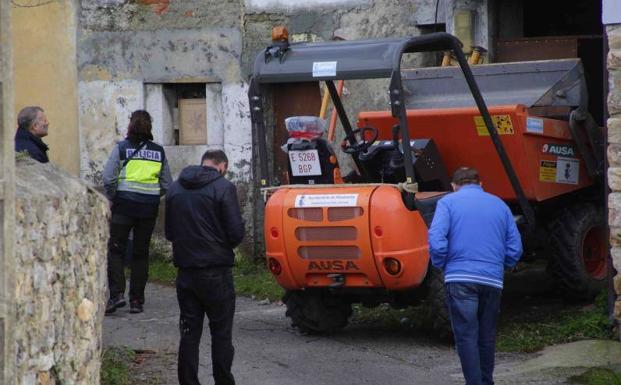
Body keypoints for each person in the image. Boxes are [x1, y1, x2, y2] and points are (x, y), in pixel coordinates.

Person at [428, 167, 522, 385]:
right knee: (486, 336)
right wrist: (500, 266)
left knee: (466, 335)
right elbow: (515, 247)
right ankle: (486, 382)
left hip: (460, 278)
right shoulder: (500, 205)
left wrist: (442, 264)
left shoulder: (448, 203)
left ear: (453, 186)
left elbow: (436, 237)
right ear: (481, 184)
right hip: (492, 280)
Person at [165, 149, 245, 385]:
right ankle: (223, 381)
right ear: (222, 166)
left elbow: (170, 232)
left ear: (203, 164)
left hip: (186, 272)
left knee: (189, 332)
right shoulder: (223, 187)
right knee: (221, 333)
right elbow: (235, 233)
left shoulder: (175, 188)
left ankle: (188, 382)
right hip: (216, 272)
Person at [103, 110, 172, 315]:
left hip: (123, 206)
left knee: (116, 249)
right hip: (148, 209)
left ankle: (116, 295)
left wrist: (115, 196)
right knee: (141, 254)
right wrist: (152, 195)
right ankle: (136, 301)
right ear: (149, 126)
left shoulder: (122, 148)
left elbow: (108, 178)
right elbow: (167, 184)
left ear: (130, 125)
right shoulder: (158, 152)